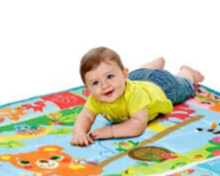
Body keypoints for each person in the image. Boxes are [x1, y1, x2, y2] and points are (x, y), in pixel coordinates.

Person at [71, 46, 204, 147]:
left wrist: (111, 131)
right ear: (88, 89)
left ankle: (187, 72)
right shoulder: (96, 98)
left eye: (110, 76)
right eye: (95, 83)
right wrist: (79, 133)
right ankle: (156, 63)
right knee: (142, 72)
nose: (105, 85)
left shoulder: (134, 94)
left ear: (124, 75)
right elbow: (86, 116)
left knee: (184, 86)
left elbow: (138, 124)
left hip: (163, 86)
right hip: (137, 77)